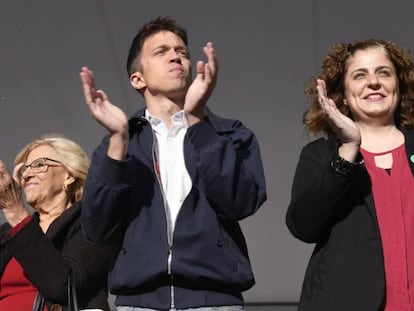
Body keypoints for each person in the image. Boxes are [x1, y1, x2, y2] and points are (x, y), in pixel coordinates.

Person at [79, 16, 266, 311]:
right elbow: (96, 229)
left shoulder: (229, 134)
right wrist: (117, 139)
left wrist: (197, 123)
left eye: (182, 51)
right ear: (137, 79)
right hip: (139, 301)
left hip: (214, 299)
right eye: (161, 51)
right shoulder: (123, 143)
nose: (176, 56)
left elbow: (242, 202)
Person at [286, 38, 414, 310]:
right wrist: (348, 149)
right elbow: (303, 227)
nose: (374, 82)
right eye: (359, 75)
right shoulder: (321, 155)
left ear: (399, 85)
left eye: (383, 72)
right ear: (343, 94)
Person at [0, 134, 119, 311]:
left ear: (69, 175)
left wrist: (16, 213)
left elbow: (63, 286)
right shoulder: (8, 232)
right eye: (24, 169)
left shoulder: (91, 223)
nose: (27, 174)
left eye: (39, 164)